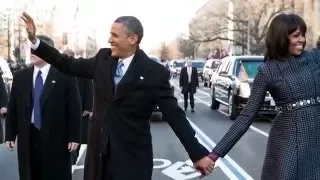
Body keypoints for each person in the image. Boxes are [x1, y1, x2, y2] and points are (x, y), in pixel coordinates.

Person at [21, 12, 215, 180]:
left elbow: (175, 117)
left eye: (115, 35)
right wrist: (35, 42)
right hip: (98, 158)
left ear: (133, 39)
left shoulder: (153, 73)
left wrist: (198, 154)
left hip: (132, 160)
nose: (109, 40)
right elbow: (66, 63)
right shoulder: (102, 59)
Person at [208, 13, 320, 180]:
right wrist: (215, 154)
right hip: (288, 142)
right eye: (296, 35)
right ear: (282, 37)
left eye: (303, 35)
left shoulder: (315, 59)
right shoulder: (267, 71)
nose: (302, 40)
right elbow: (246, 116)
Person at [5, 35, 82, 180]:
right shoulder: (21, 76)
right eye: (31, 49)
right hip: (28, 136)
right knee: (29, 173)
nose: (32, 53)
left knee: (54, 174)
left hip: (56, 138)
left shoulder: (64, 75)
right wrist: (10, 134)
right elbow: (14, 106)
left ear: (48, 51)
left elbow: (74, 108)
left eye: (36, 49)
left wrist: (74, 136)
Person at [63, 49, 93, 165]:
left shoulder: (80, 70)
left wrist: (88, 108)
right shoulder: (60, 70)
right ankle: (70, 156)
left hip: (80, 108)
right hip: (65, 109)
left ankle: (74, 155)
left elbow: (89, 89)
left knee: (78, 134)